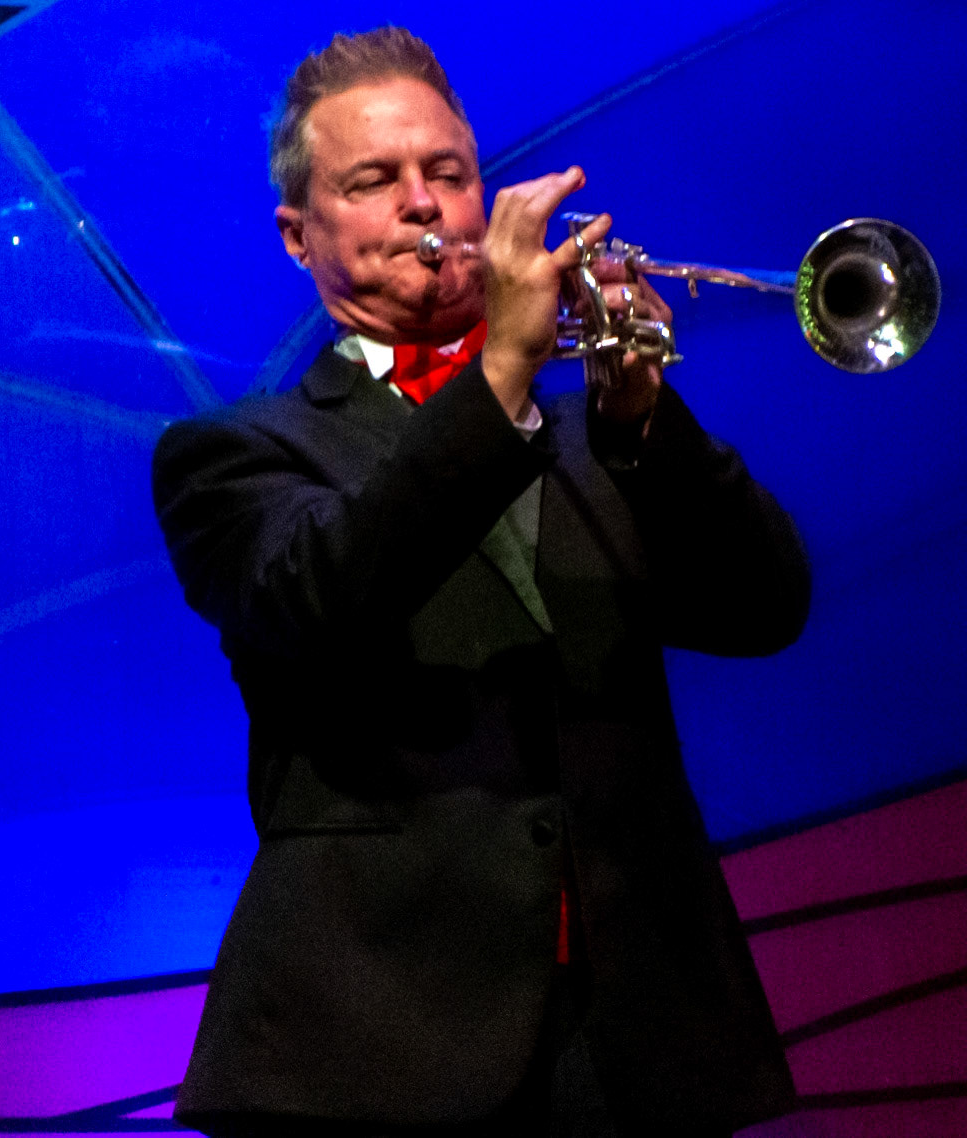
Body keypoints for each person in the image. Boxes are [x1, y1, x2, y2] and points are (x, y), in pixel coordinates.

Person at [150, 26, 809, 1138]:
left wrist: (645, 421)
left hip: (634, 1042)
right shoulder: (232, 454)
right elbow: (321, 593)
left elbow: (764, 609)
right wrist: (503, 371)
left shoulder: (601, 439)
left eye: (447, 173)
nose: (424, 204)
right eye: (374, 180)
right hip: (372, 1044)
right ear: (297, 234)